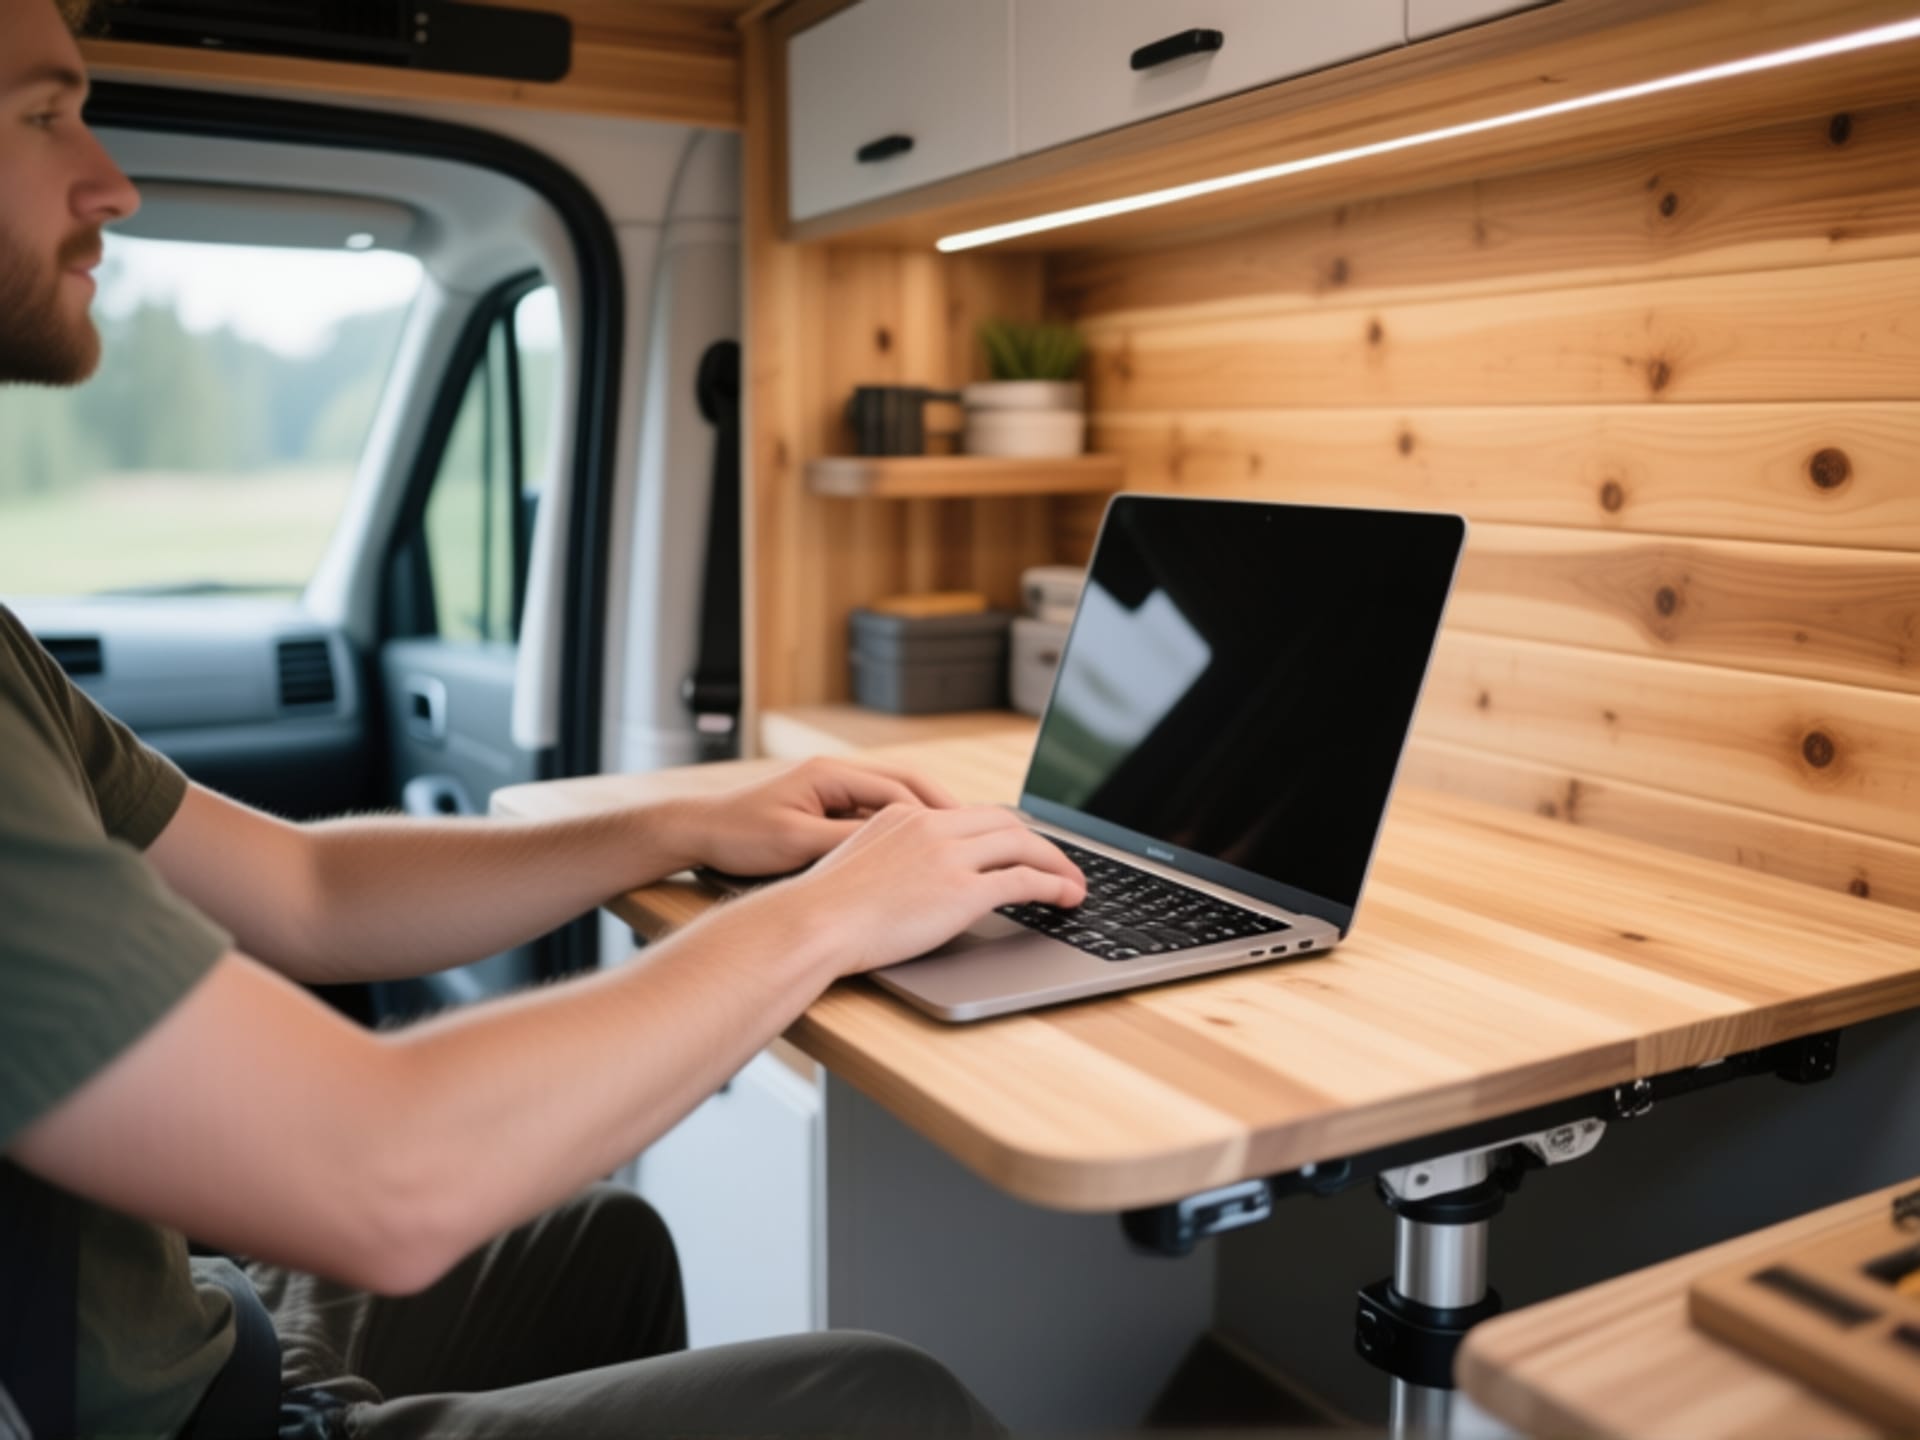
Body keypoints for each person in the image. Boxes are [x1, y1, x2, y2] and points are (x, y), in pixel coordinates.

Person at [0, 1, 1088, 1434]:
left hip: (182, 1329)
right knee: (883, 1401)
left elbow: (307, 888)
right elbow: (380, 1179)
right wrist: (828, 916)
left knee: (608, 1241)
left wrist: (686, 818)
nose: (110, 180)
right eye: (40, 115)